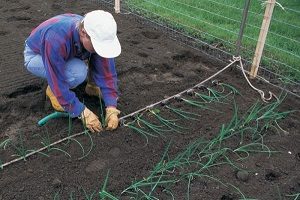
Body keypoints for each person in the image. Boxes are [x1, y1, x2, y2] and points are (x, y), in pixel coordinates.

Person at [23, 10, 121, 133]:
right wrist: (81, 111)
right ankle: (53, 91)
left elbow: (107, 70)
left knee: (96, 55)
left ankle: (91, 86)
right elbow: (56, 76)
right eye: (97, 44)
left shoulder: (95, 32)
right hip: (36, 55)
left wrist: (111, 107)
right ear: (83, 32)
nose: (99, 48)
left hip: (66, 50)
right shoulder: (55, 38)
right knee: (78, 72)